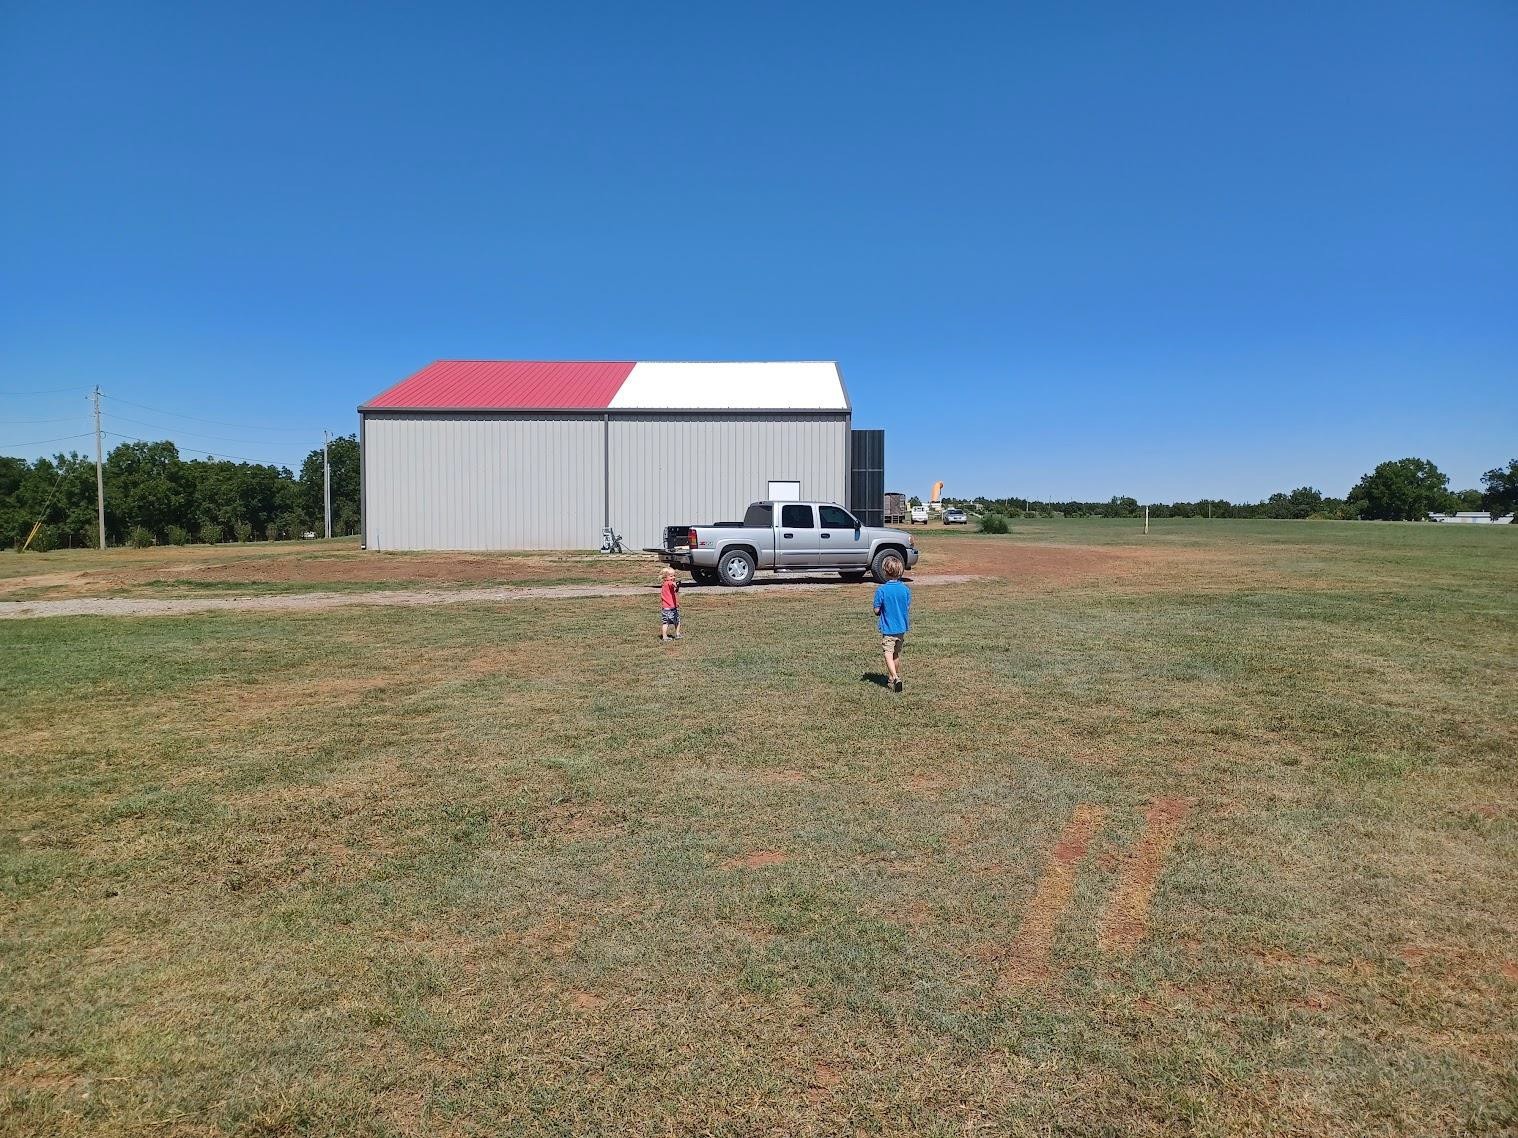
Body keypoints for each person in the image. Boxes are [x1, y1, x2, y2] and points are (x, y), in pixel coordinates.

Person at [872, 555, 910, 692]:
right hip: (901, 628)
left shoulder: (881, 590)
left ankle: (895, 677)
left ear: (885, 572)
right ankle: (890, 678)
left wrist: (879, 609)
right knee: (895, 654)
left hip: (888, 628)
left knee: (887, 653)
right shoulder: (905, 589)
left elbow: (876, 610)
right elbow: (906, 607)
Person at [659, 566, 682, 642]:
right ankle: (674, 634)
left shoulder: (664, 584)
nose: (673, 577)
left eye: (674, 575)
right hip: (669, 608)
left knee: (669, 622)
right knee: (674, 621)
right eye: (671, 576)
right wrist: (675, 584)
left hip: (669, 607)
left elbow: (673, 594)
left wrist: (677, 603)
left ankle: (670, 635)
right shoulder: (668, 583)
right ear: (665, 577)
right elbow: (671, 584)